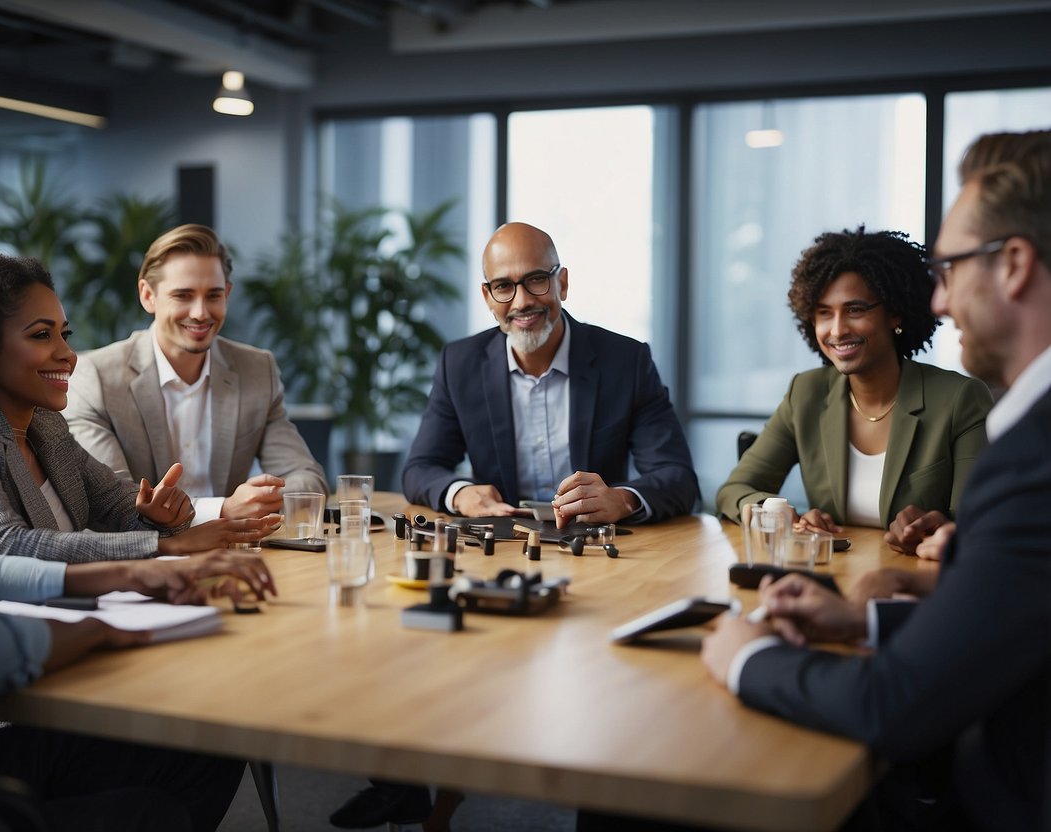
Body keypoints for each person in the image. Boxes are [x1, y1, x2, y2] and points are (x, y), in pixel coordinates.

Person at [0, 160, 278, 830]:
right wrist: (107, 622)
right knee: (150, 808)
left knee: (204, 746)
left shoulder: (40, 428)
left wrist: (146, 558)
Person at [702, 130, 1051, 832]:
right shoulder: (809, 395)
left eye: (951, 268)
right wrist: (860, 612)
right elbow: (1010, 597)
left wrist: (749, 657)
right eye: (822, 314)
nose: (943, 302)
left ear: (1013, 265)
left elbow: (897, 700)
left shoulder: (1014, 442)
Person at [0, 251, 280, 562]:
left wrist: (161, 516)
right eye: (42, 335)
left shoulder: (47, 429)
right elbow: (1, 547)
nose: (67, 354)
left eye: (64, 334)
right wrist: (165, 544)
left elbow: (119, 506)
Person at [402, 222, 698, 527]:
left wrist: (622, 498)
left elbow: (677, 477)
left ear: (562, 283)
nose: (522, 301)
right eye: (504, 286)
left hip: (599, 548)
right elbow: (420, 469)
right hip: (503, 546)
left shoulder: (626, 362)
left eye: (536, 280)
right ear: (488, 296)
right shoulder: (459, 364)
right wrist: (460, 494)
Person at [716, 228, 992, 554]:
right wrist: (773, 512)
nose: (836, 330)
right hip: (828, 576)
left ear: (895, 314)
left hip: (919, 583)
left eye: (855, 309)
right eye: (823, 313)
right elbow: (734, 489)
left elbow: (980, 524)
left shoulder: (960, 399)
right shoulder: (806, 393)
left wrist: (935, 526)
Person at [64, 224, 327, 525]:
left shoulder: (257, 370)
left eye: (213, 295)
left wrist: (263, 498)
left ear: (227, 294)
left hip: (233, 555)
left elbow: (308, 479)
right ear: (148, 295)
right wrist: (223, 510)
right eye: (183, 295)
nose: (201, 312)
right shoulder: (97, 378)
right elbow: (113, 503)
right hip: (144, 561)